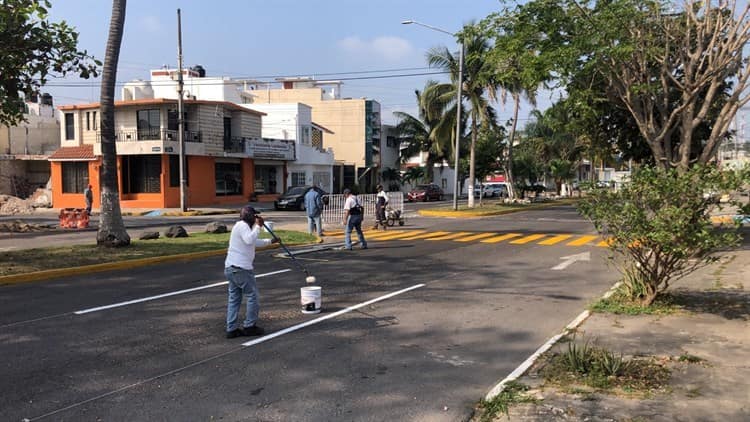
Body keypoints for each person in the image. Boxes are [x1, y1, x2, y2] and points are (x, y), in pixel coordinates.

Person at [224, 205, 279, 338]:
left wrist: (270, 241)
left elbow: (253, 242)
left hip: (232, 268)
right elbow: (250, 239)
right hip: (241, 269)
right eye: (255, 216)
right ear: (249, 216)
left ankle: (231, 329)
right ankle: (249, 326)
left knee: (234, 299)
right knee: (252, 296)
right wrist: (258, 226)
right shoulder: (243, 226)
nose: (256, 218)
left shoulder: (241, 227)